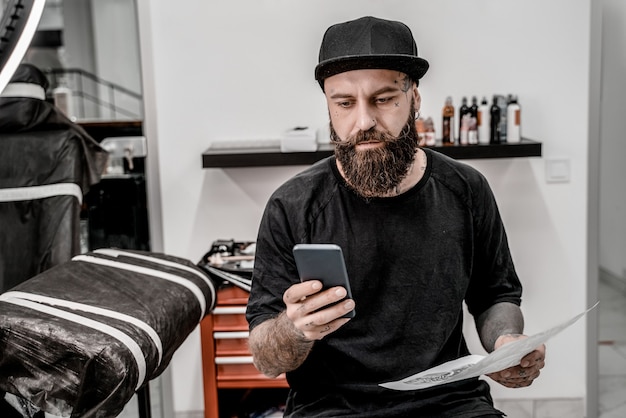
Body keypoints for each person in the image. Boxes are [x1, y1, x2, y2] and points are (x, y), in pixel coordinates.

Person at [246, 16, 545, 418]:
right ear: (328, 105)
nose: (364, 122)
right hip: (332, 406)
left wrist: (507, 343)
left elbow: (495, 295)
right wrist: (295, 328)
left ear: (414, 98)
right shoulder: (293, 205)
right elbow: (266, 358)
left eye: (384, 98)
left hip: (448, 400)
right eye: (345, 103)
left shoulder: (466, 189)